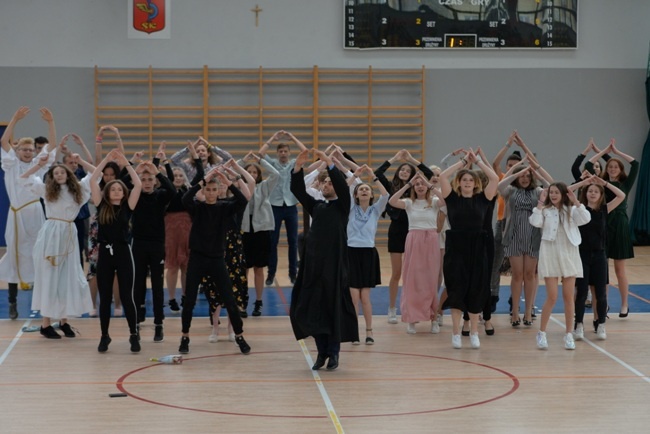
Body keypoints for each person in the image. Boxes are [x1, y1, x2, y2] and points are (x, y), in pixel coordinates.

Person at [290, 149, 358, 371]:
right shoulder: (316, 206)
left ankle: (334, 353)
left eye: (331, 183)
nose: (327, 185)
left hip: (335, 266)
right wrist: (297, 168)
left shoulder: (343, 206)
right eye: (325, 183)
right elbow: (297, 190)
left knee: (333, 308)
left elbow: (342, 186)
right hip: (314, 266)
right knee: (314, 309)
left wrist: (329, 163)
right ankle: (321, 353)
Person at [20, 155, 94, 338]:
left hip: (68, 234)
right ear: (52, 177)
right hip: (51, 235)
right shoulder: (47, 190)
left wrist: (81, 161)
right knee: (50, 276)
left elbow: (95, 174)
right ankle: (45, 325)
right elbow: (24, 178)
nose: (59, 175)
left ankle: (63, 321)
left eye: (62, 172)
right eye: (56, 173)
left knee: (67, 277)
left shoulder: (79, 191)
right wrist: (39, 165)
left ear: (68, 174)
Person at [179, 167, 251, 355]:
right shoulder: (197, 208)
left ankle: (239, 336)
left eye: (214, 190)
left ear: (219, 191)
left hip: (217, 259)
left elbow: (243, 200)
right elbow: (185, 198)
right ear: (204, 191)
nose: (211, 193)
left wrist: (228, 183)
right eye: (208, 190)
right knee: (189, 300)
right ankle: (185, 336)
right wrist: (203, 181)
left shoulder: (225, 208)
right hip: (197, 258)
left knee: (229, 299)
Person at [0, 106, 56, 319]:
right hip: (16, 215)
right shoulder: (11, 165)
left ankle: (43, 303)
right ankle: (12, 302)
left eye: (30, 149)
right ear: (17, 151)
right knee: (14, 257)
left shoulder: (38, 164)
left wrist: (50, 122)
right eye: (23, 149)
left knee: (39, 255)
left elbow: (52, 146)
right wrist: (14, 118)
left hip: (35, 213)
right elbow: (3, 142)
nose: (27, 152)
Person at [439, 149, 498, 349]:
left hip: (478, 247)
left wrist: (478, 161)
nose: (467, 182)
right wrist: (463, 162)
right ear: (459, 182)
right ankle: (456, 332)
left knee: (476, 289)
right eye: (464, 180)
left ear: (475, 183)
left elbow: (494, 178)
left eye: (471, 180)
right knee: (456, 289)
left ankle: (474, 332)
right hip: (456, 248)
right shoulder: (451, 198)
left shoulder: (483, 198)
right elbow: (442, 176)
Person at [90, 150, 142, 353]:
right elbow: (93, 180)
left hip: (123, 252)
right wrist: (106, 160)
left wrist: (126, 163)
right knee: (104, 298)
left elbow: (138, 184)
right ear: (108, 192)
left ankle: (133, 335)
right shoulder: (100, 204)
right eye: (114, 189)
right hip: (105, 253)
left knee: (127, 296)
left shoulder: (128, 206)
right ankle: (104, 336)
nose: (117, 191)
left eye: (120, 189)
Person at [374, 149, 433, 324]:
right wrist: (394, 158)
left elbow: (430, 174)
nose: (404, 172)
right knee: (397, 273)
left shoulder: (417, 189)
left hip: (414, 231)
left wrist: (412, 160)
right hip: (396, 231)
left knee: (413, 273)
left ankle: (413, 307)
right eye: (402, 169)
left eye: (408, 170)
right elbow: (378, 173)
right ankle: (392, 308)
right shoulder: (391, 187)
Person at [529, 183, 591, 350]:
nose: (553, 195)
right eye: (551, 192)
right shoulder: (545, 210)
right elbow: (534, 222)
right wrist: (540, 203)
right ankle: (542, 333)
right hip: (550, 253)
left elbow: (586, 218)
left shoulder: (572, 210)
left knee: (569, 297)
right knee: (552, 296)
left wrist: (576, 201)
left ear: (564, 194)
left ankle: (569, 334)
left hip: (569, 253)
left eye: (557, 192)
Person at [585, 140, 639, 318]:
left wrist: (615, 151)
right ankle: (604, 305)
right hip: (604, 225)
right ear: (606, 169)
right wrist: (602, 152)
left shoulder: (625, 183)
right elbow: (588, 165)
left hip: (620, 224)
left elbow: (635, 164)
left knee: (620, 270)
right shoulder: (601, 182)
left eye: (616, 167)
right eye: (610, 166)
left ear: (621, 169)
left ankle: (624, 304)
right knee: (603, 270)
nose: (613, 169)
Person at [497, 157, 549, 327]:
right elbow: (500, 186)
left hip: (533, 237)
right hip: (514, 236)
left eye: (527, 175)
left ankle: (528, 311)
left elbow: (550, 186)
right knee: (517, 275)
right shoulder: (511, 190)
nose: (525, 178)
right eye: (522, 176)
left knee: (529, 274)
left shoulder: (538, 191)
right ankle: (515, 312)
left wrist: (537, 172)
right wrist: (516, 169)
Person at [388, 172, 442, 335]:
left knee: (431, 281)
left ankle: (434, 319)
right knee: (412, 280)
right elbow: (392, 201)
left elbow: (447, 199)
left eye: (422, 184)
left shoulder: (434, 201)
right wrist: (408, 184)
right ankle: (411, 319)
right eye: (417, 184)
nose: (420, 186)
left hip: (431, 239)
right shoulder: (409, 203)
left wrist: (430, 184)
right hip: (414, 239)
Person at [572, 175, 625, 341]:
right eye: (590, 191)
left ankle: (601, 323)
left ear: (601, 195)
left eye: (596, 191)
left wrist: (605, 183)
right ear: (585, 193)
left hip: (600, 256)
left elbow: (621, 195)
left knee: (601, 293)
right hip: (582, 255)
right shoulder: (579, 209)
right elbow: (566, 192)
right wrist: (584, 183)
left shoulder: (604, 210)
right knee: (581, 293)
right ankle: (578, 324)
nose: (593, 193)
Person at [130, 149, 175, 342]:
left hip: (157, 244)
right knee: (138, 284)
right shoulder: (134, 195)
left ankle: (158, 323)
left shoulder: (160, 195)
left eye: (150, 180)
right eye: (143, 179)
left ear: (155, 181)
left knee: (157, 285)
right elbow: (122, 183)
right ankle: (136, 322)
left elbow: (173, 190)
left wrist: (157, 172)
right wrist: (134, 169)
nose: (147, 183)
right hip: (138, 244)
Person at [258, 130, 308, 285]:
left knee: (293, 241)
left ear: (289, 152)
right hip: (275, 206)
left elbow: (305, 151)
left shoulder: (293, 163)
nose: (283, 154)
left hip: (291, 206)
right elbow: (260, 154)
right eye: (281, 151)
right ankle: (271, 274)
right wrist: (273, 137)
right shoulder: (273, 163)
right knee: (273, 241)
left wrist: (292, 137)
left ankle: (293, 273)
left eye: (286, 151)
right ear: (277, 153)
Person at [347, 165, 388, 344]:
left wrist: (373, 176)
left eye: (367, 189)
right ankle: (353, 332)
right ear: (356, 195)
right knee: (353, 298)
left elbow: (385, 195)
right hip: (351, 253)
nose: (364, 191)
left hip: (368, 254)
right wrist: (354, 175)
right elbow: (342, 191)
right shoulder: (350, 208)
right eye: (361, 189)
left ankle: (369, 331)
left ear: (371, 195)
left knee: (365, 297)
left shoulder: (375, 210)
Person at [164, 139, 204, 313]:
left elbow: (200, 172)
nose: (178, 178)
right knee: (173, 266)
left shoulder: (188, 190)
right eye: (175, 175)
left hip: (187, 228)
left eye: (181, 175)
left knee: (186, 266)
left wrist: (194, 154)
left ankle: (186, 296)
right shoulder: (166, 191)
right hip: (171, 230)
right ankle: (172, 298)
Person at [239, 152, 280, 317]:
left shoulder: (264, 186)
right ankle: (242, 300)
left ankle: (258, 301)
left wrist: (261, 160)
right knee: (243, 269)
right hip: (244, 231)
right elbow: (228, 172)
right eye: (248, 171)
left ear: (259, 174)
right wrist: (242, 161)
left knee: (259, 268)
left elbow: (276, 174)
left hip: (261, 231)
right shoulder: (239, 186)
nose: (252, 174)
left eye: (255, 172)